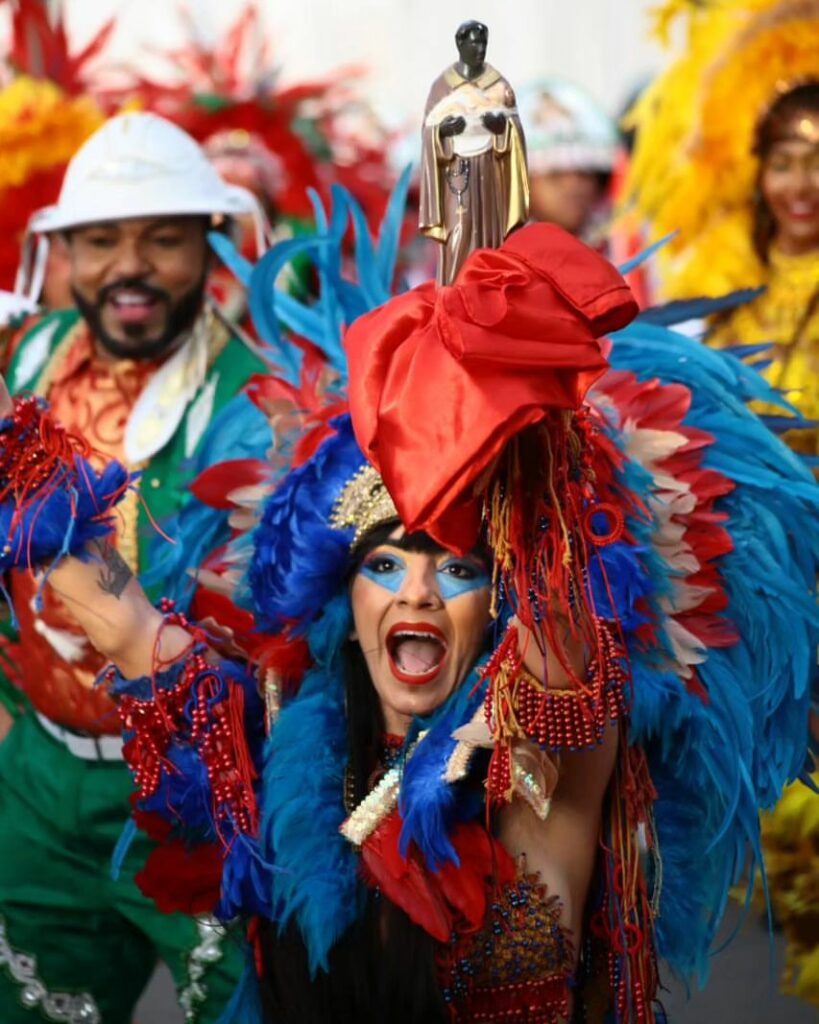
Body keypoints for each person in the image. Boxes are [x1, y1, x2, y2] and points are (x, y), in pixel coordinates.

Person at [0, 199, 815, 1023]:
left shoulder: (533, 766)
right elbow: (116, 613)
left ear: (497, 605)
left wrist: (499, 378)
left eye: (457, 569)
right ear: (345, 600)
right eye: (384, 566)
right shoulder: (264, 741)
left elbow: (560, 597)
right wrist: (12, 447)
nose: (417, 593)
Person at [0, 111, 271, 1023]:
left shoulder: (262, 404)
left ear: (210, 245)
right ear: (63, 252)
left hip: (197, 793)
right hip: (36, 781)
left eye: (163, 239)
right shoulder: (26, 359)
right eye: (102, 240)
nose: (130, 266)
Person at [623, 0, 819, 1004]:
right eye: (783, 159)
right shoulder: (719, 293)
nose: (802, 182)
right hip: (771, 585)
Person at [419, 20, 528, 284]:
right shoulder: (442, 86)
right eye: (474, 43)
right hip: (457, 170)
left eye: (483, 43)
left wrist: (502, 128)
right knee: (460, 229)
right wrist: (443, 132)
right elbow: (428, 130)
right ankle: (455, 290)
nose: (480, 49)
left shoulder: (498, 84)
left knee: (490, 233)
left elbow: (515, 129)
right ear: (460, 44)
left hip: (490, 169)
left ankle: (487, 288)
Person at [518, 77, 619, 248]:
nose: (573, 185)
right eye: (555, 174)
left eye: (585, 173)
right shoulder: (498, 259)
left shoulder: (623, 248)